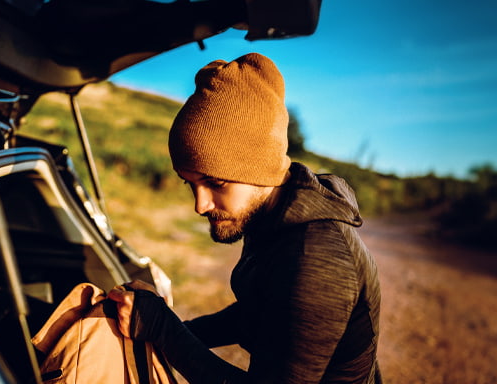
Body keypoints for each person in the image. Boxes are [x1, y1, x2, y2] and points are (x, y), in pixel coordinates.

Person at [108, 52, 381, 383]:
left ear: (260, 168)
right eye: (190, 183)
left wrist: (161, 328)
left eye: (215, 182)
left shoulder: (313, 258)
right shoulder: (275, 217)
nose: (200, 205)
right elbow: (260, 313)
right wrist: (166, 325)